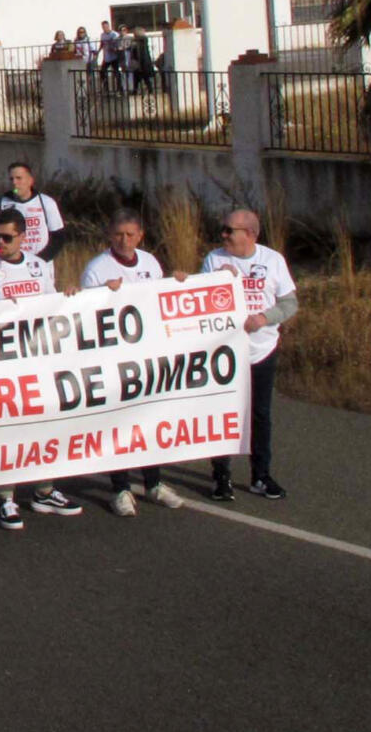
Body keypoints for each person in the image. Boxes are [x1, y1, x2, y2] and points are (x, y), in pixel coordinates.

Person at [0, 210, 81, 525]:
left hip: (38, 362)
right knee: (9, 431)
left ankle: (44, 489)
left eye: (7, 237)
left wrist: (68, 297)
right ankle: (5, 497)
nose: (0, 243)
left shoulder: (39, 266)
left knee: (44, 425)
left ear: (22, 236)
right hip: (3, 366)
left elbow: (51, 308)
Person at [80, 211, 186, 516]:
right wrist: (103, 295)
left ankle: (154, 482)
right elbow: (87, 315)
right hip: (114, 359)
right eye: (118, 235)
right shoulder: (97, 268)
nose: (124, 240)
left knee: (147, 419)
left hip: (146, 355)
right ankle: (121, 488)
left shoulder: (150, 262)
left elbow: (159, 302)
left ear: (140, 235)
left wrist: (176, 283)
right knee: (119, 423)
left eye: (130, 234)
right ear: (109, 236)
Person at [204, 209, 297, 502]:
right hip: (227, 352)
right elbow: (202, 302)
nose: (224, 235)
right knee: (224, 414)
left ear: (251, 234)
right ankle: (221, 476)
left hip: (263, 350)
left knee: (260, 414)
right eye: (224, 229)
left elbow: (289, 304)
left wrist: (265, 318)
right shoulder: (214, 260)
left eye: (230, 230)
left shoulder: (273, 261)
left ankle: (260, 474)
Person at [0, 162, 65, 258]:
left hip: (40, 264)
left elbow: (58, 237)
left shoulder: (46, 202)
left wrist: (40, 259)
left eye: (19, 178)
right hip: (10, 265)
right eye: (11, 179)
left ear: (30, 181)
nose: (14, 183)